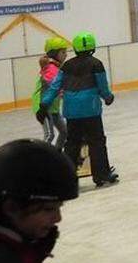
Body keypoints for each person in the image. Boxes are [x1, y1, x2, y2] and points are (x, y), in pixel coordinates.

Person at [37, 32, 119, 188]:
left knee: (72, 143)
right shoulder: (96, 64)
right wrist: (108, 97)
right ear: (92, 47)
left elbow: (55, 86)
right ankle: (101, 175)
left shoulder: (67, 66)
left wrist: (44, 104)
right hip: (91, 110)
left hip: (72, 112)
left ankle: (67, 178)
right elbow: (102, 87)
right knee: (97, 142)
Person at [33, 37, 70, 151]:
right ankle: (39, 158)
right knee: (49, 135)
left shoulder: (55, 67)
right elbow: (54, 86)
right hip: (43, 107)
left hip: (53, 108)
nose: (66, 55)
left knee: (64, 132)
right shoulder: (51, 68)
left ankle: (56, 154)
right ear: (54, 54)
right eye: (63, 52)